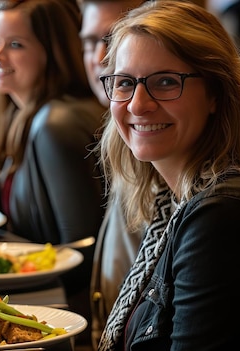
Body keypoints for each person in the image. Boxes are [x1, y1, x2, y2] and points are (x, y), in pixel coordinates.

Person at [95, 1, 240, 350]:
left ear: (215, 93)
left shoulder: (223, 218)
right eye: (124, 83)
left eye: (165, 82)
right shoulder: (173, 204)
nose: (137, 104)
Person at [0, 0, 105, 345]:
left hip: (69, 326)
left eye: (15, 44)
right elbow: (27, 232)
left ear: (53, 51)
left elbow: (79, 253)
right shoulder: (29, 115)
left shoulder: (55, 124)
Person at [78, 0, 148, 348]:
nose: (101, 55)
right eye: (90, 42)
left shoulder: (156, 150)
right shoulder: (126, 150)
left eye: (114, 37)